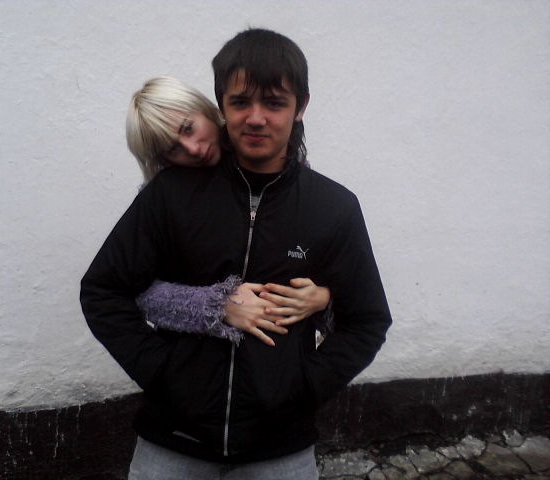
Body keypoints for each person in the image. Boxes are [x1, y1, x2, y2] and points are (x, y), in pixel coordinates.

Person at [80, 28, 392, 479]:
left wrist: (303, 388)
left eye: (275, 103)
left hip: (280, 453)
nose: (256, 118)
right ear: (221, 104)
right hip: (172, 444)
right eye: (241, 102)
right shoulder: (169, 194)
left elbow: (368, 320)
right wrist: (164, 374)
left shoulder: (334, 207)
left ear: (301, 106)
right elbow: (103, 291)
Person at [126, 75, 332, 347]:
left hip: (278, 363)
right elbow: (135, 290)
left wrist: (324, 297)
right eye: (173, 149)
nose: (193, 149)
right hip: (197, 361)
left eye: (189, 128)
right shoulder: (163, 197)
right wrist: (218, 306)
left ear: (205, 108)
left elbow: (322, 258)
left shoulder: (284, 167)